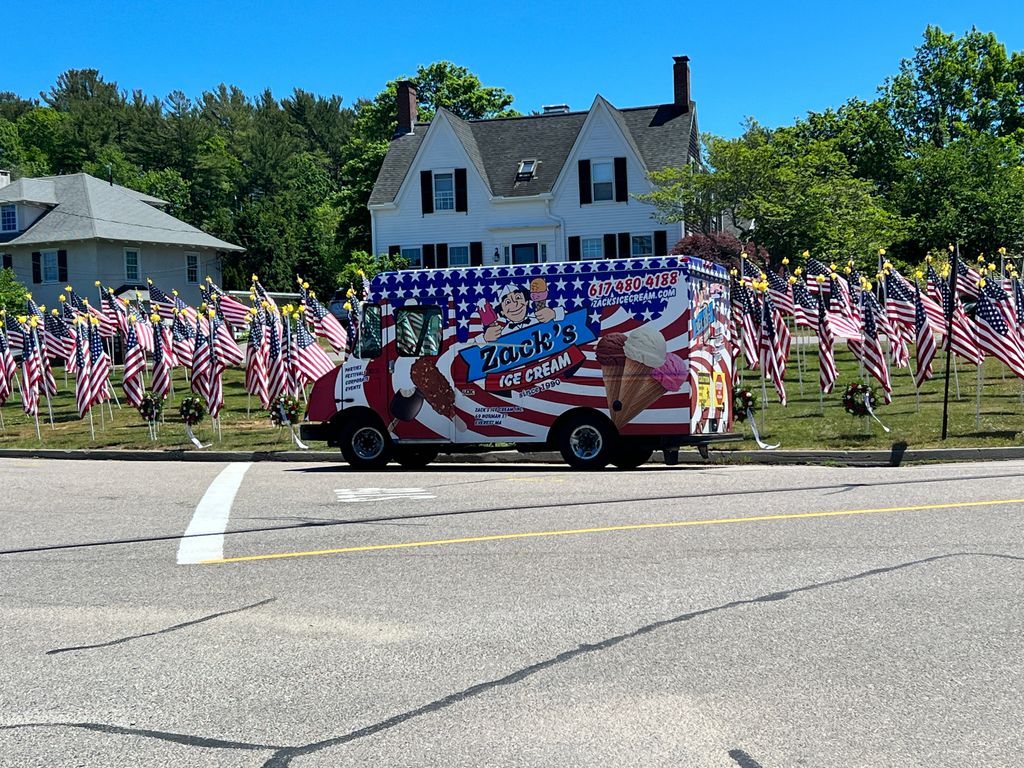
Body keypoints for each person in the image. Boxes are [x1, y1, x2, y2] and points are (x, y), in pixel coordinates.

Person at [481, 284, 562, 342]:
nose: (515, 304)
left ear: (526, 301)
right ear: (502, 311)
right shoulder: (501, 333)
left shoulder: (540, 318)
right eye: (508, 302)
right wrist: (484, 339)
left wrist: (555, 314)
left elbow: (571, 318)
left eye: (518, 298)